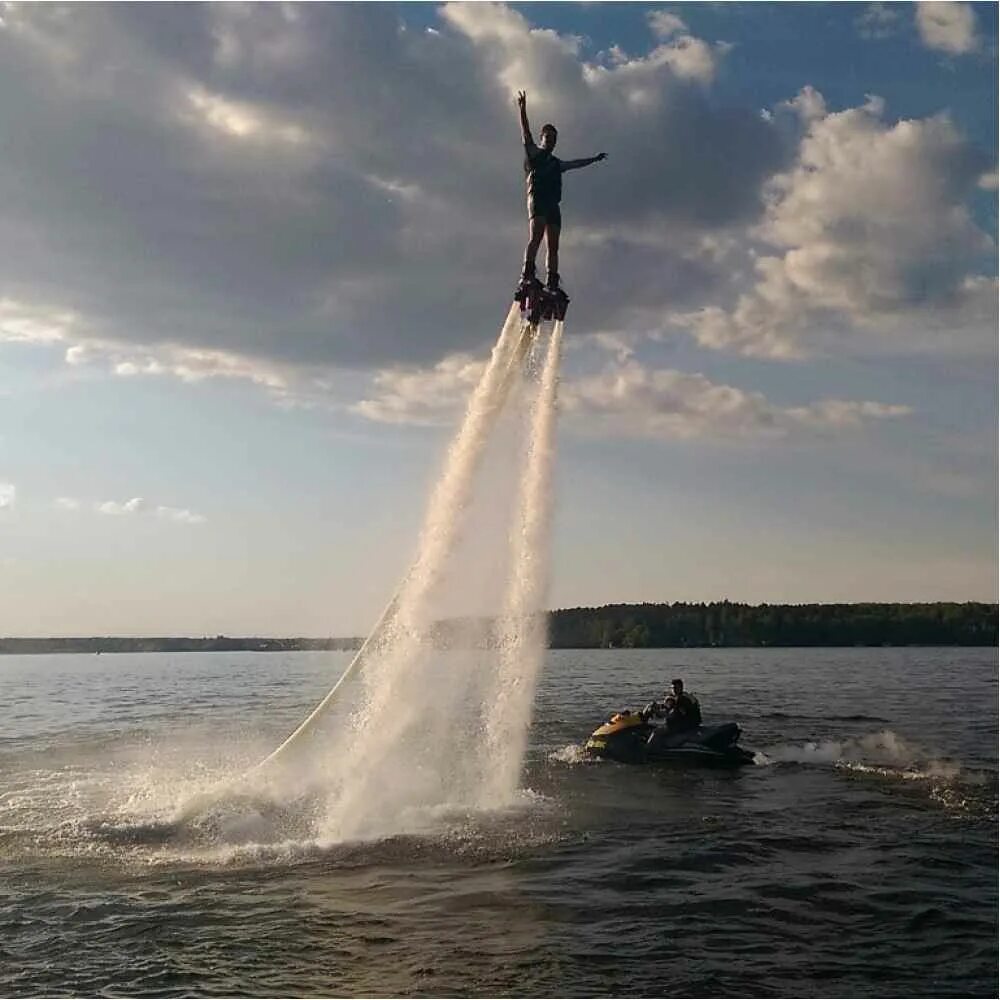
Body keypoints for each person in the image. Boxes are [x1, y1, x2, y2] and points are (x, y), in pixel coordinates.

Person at [517, 90, 607, 291]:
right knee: (537, 236)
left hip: (552, 204)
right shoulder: (534, 153)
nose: (550, 141)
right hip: (538, 199)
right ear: (542, 138)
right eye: (547, 137)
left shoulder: (557, 164)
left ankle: (552, 281)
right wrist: (522, 109)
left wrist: (594, 159)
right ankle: (528, 272)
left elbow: (575, 163)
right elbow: (525, 132)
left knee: (553, 245)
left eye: (553, 138)